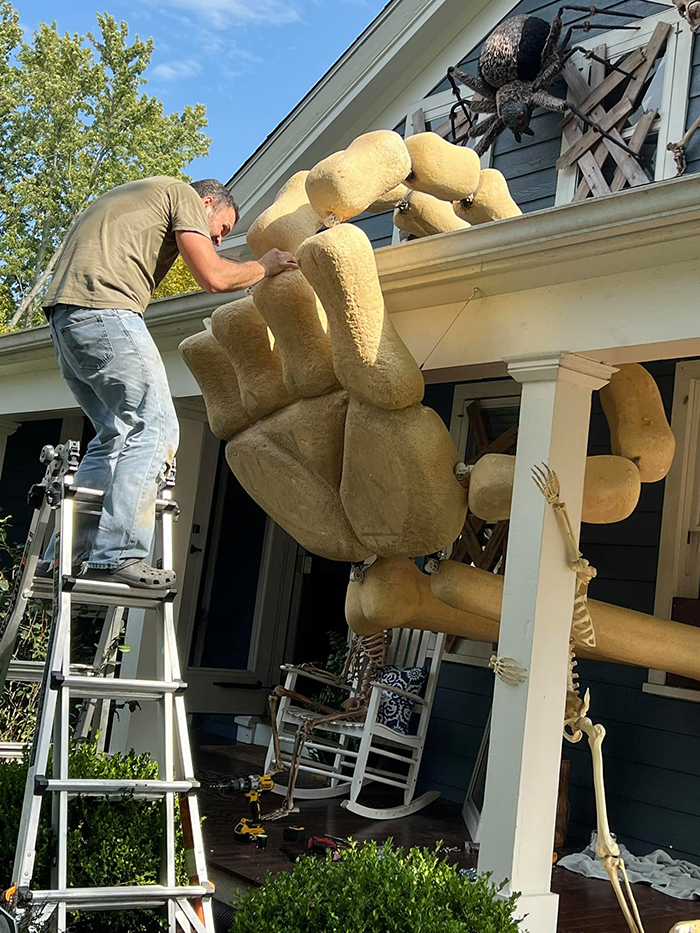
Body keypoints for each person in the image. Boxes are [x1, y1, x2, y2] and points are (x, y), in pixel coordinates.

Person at [39, 176, 297, 590]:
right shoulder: (181, 195)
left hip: (67, 324)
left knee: (115, 436)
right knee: (156, 427)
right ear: (208, 202)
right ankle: (119, 552)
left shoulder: (135, 199)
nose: (216, 239)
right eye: (222, 229)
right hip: (107, 312)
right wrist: (263, 266)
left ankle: (65, 555)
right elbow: (212, 276)